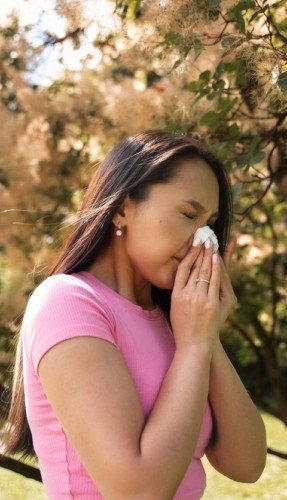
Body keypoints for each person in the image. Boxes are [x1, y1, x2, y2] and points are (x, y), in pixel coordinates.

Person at [2, 130, 267, 499]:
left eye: (209, 223)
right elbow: (138, 491)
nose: (203, 239)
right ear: (124, 207)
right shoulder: (68, 302)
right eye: (189, 214)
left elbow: (247, 464)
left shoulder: (176, 322)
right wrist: (192, 347)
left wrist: (206, 337)